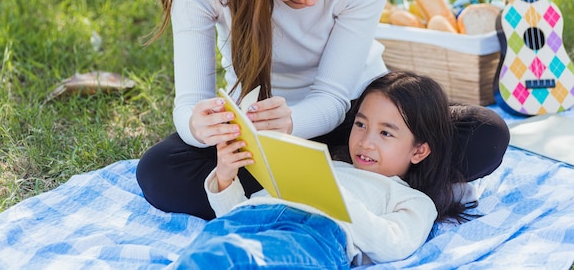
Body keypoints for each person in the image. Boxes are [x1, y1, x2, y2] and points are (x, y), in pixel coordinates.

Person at [136, 0, 510, 220]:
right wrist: (201, 127)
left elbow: (333, 96)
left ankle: (311, 186)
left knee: (484, 134)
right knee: (159, 174)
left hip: (355, 115)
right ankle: (362, 183)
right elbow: (189, 105)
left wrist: (294, 122)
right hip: (260, 129)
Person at [169, 71, 476, 268]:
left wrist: (335, 198)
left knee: (229, 260)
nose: (366, 141)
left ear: (419, 150)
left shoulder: (409, 198)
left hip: (311, 234)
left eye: (386, 133)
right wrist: (225, 176)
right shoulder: (329, 163)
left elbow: (393, 245)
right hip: (244, 219)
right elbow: (237, 211)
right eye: (360, 124)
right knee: (200, 257)